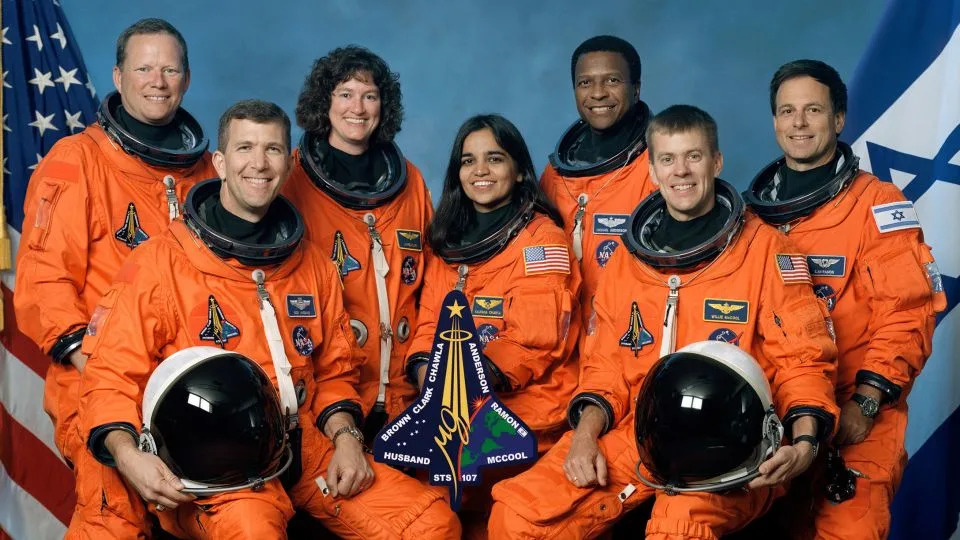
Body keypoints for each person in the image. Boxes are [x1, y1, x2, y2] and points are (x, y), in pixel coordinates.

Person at [77, 100, 460, 538]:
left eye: (273, 150)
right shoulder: (160, 264)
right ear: (219, 162)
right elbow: (109, 377)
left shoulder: (313, 264)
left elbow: (335, 371)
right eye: (244, 148)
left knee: (432, 524)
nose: (258, 164)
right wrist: (129, 456)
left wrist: (347, 439)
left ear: (288, 162)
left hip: (305, 447)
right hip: (218, 470)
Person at [489, 105, 839, 539]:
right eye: (669, 159)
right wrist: (583, 437)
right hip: (636, 433)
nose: (682, 172)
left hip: (734, 442)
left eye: (694, 156)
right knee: (517, 514)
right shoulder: (626, 262)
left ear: (717, 162)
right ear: (653, 170)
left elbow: (803, 361)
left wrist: (804, 442)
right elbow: (605, 370)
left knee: (679, 526)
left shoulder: (767, 252)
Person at [14, 18, 215, 537]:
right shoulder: (77, 162)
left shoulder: (207, 178)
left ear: (187, 79)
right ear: (118, 77)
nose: (158, 80)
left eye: (170, 69)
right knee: (114, 519)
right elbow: (45, 284)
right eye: (144, 67)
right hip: (102, 383)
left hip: (187, 387)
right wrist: (105, 372)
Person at [744, 59, 946, 539]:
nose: (798, 123)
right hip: (775, 417)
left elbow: (908, 314)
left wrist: (868, 402)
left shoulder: (878, 205)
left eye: (812, 110)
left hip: (854, 414)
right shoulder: (750, 217)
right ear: (774, 122)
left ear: (838, 119)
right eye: (787, 111)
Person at [405, 114, 581, 528]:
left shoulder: (542, 241)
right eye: (468, 161)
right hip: (454, 418)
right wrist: (423, 372)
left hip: (527, 422)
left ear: (520, 171)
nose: (479, 170)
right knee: (426, 519)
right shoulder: (447, 240)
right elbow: (429, 324)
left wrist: (463, 384)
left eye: (494, 159)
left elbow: (533, 341)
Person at [282, 46, 433, 440]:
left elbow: (432, 282)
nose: (359, 108)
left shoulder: (410, 182)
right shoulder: (291, 182)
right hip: (331, 400)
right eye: (345, 94)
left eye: (370, 95)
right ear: (324, 101)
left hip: (407, 391)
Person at [539, 35, 657, 316]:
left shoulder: (659, 167)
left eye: (612, 81)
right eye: (585, 82)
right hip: (564, 336)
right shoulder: (555, 174)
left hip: (625, 333)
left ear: (636, 89)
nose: (598, 93)